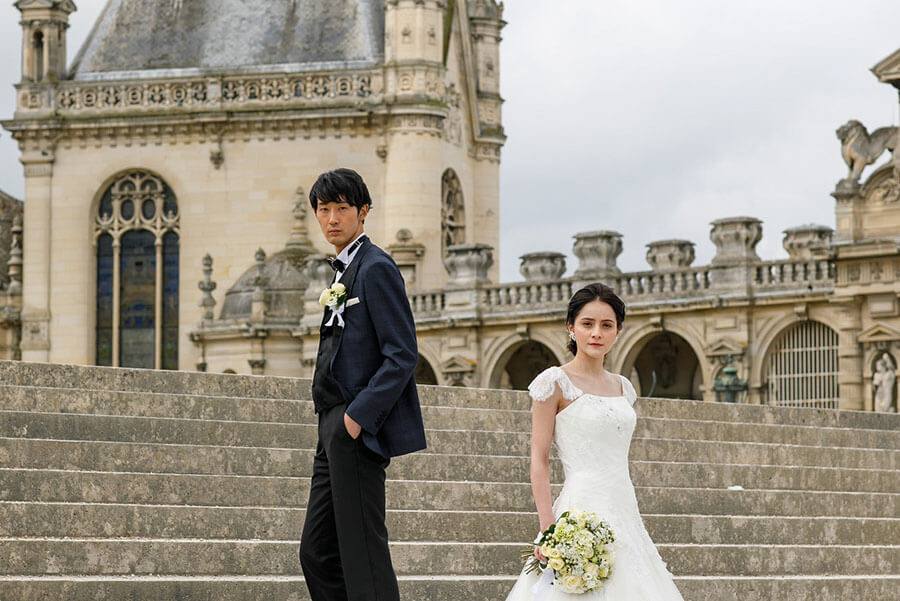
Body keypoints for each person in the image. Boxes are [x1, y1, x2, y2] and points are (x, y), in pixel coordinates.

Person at [505, 283, 684, 600]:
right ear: (571, 327)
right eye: (587, 324)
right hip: (581, 507)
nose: (596, 333)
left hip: (624, 505)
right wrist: (549, 530)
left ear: (618, 332)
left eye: (607, 325)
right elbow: (539, 460)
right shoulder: (554, 382)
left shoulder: (624, 387)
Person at [298, 168, 427, 601]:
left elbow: (402, 354)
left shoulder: (375, 268)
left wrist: (357, 418)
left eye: (342, 208)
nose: (332, 218)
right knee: (317, 552)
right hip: (330, 425)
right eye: (323, 209)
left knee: (363, 554)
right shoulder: (343, 270)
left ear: (363, 212)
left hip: (355, 427)